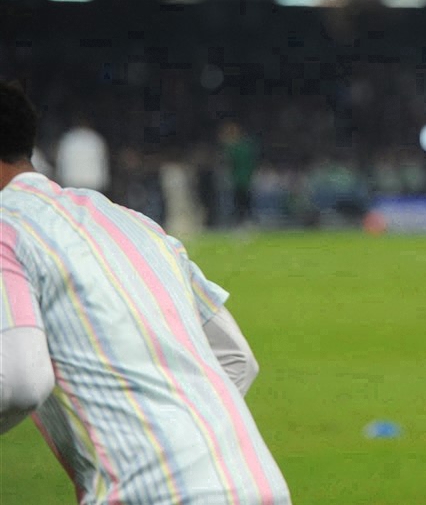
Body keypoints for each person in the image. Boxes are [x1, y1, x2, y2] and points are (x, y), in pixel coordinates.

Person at [0, 81, 292, 505]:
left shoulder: (6, 228)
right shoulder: (135, 222)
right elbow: (237, 359)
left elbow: (23, 382)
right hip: (255, 484)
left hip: (152, 494)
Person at [55, 112, 111, 193]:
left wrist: (59, 177)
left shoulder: (68, 139)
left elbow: (60, 160)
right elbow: (103, 161)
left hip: (71, 181)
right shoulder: (96, 139)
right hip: (92, 182)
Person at [219, 121, 259, 226]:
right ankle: (248, 221)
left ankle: (242, 221)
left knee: (240, 202)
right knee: (245, 201)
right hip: (246, 178)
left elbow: (228, 161)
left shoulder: (235, 148)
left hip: (239, 179)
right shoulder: (245, 146)